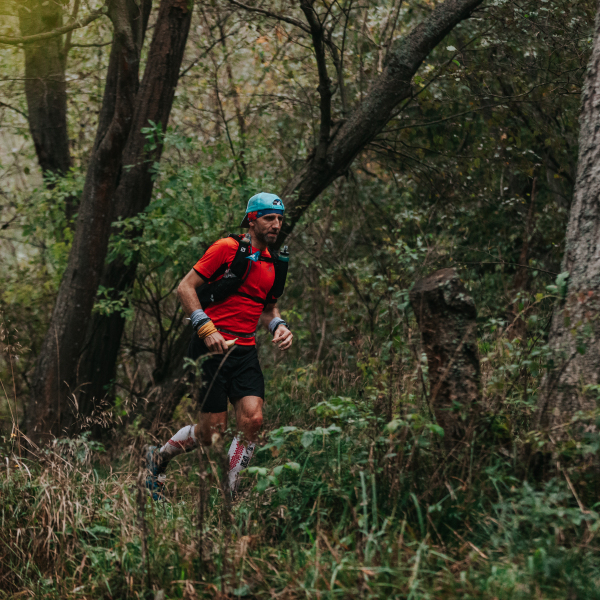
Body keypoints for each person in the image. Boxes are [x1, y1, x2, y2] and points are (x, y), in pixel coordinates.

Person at [145, 192, 293, 500]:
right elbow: (185, 287)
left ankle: (230, 495)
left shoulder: (275, 263)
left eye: (280, 219)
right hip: (211, 349)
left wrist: (278, 325)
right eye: (269, 218)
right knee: (211, 434)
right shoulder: (227, 248)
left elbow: (268, 308)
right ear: (251, 220)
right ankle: (158, 459)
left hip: (245, 350)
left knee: (253, 420)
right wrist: (205, 327)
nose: (276, 225)